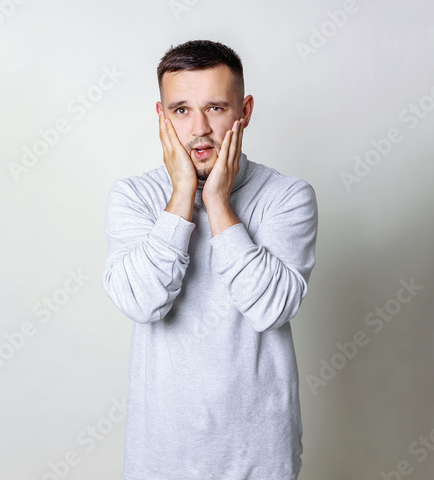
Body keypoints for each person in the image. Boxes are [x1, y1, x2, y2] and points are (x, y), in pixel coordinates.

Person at [102, 39, 318, 480]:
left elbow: (271, 308)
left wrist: (217, 202)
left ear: (245, 111)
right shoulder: (134, 198)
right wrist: (183, 193)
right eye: (181, 110)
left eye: (216, 108)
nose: (199, 128)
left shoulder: (287, 197)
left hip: (260, 456)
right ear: (162, 117)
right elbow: (143, 303)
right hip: (160, 457)